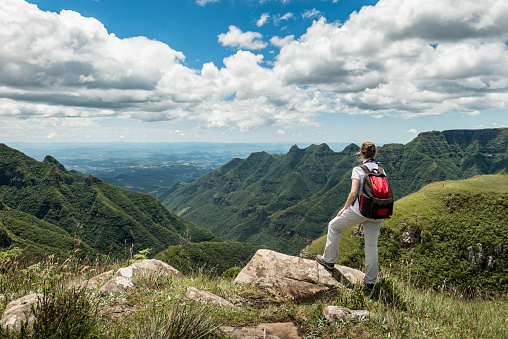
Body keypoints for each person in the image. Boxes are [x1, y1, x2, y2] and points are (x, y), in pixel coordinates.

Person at [316, 141, 385, 291]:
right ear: (374, 153)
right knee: (371, 245)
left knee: (334, 226)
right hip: (378, 211)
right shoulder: (381, 169)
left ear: (361, 153)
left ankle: (328, 260)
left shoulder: (358, 169)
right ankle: (370, 283)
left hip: (359, 211)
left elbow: (354, 193)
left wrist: (344, 208)